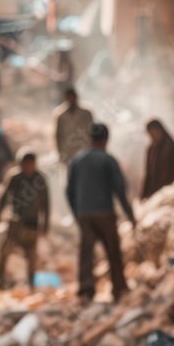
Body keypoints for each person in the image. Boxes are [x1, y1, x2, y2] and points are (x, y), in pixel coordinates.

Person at [67, 122, 135, 302]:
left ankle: (86, 292)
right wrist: (130, 216)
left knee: (86, 253)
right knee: (113, 251)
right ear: (106, 139)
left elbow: (69, 190)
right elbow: (120, 189)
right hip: (105, 212)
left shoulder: (78, 160)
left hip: (85, 215)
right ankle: (119, 289)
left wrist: (77, 213)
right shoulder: (108, 159)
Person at [0, 150, 50, 289]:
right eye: (26, 164)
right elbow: (3, 197)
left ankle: (31, 284)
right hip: (15, 222)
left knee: (32, 257)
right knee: (4, 251)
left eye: (31, 164)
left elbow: (46, 204)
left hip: (32, 224)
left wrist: (45, 225)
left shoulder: (40, 180)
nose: (29, 167)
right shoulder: (15, 177)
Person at [141, 119, 174, 200]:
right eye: (151, 134)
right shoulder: (151, 149)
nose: (153, 136)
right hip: (154, 189)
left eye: (154, 133)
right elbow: (149, 172)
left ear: (160, 131)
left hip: (171, 188)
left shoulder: (169, 146)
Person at [53, 88, 94, 166]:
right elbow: (58, 136)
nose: (71, 100)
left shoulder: (86, 113)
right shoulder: (61, 116)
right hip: (68, 153)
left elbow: (92, 132)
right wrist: (61, 154)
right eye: (69, 97)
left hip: (85, 151)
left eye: (72, 97)